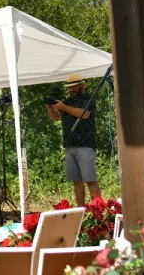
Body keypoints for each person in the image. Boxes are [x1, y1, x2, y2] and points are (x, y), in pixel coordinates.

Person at [47, 74, 101, 206]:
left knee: (90, 179)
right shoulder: (67, 101)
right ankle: (81, 210)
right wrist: (50, 107)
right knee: (77, 181)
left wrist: (63, 107)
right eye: (70, 87)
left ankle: (99, 210)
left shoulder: (88, 98)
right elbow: (55, 117)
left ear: (82, 85)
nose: (72, 89)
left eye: (75, 86)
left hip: (85, 144)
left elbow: (85, 114)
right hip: (70, 144)